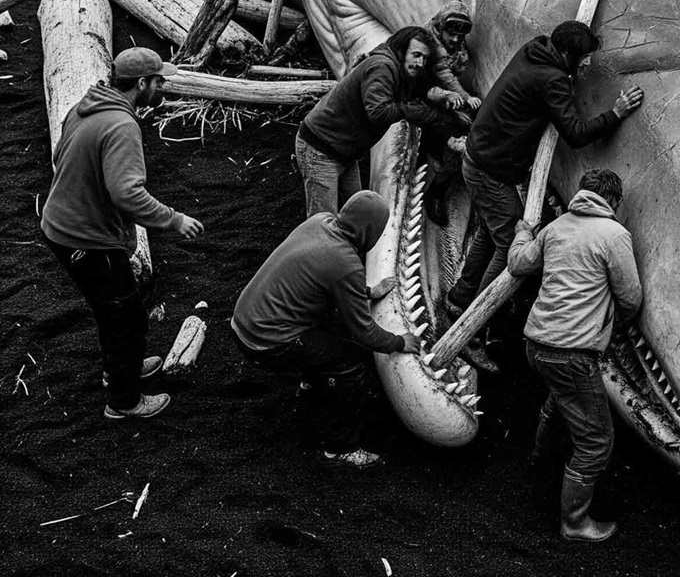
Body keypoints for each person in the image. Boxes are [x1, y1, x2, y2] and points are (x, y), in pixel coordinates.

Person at [441, 21, 644, 372]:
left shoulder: (534, 50)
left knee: (492, 232)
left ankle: (459, 298)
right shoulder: (551, 80)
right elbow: (577, 134)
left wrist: (567, 79)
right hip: (490, 170)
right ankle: (471, 326)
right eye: (584, 59)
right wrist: (616, 112)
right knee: (509, 245)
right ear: (567, 54)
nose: (587, 66)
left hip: (480, 158)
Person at [39, 47, 204, 421]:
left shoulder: (87, 106)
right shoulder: (121, 126)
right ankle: (124, 401)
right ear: (142, 83)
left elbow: (59, 158)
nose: (163, 86)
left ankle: (120, 369)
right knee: (125, 317)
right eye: (159, 80)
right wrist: (174, 220)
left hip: (62, 226)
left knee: (113, 310)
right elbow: (127, 193)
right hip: (83, 239)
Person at [230, 190, 419, 469]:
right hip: (266, 342)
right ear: (370, 231)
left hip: (244, 320)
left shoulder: (320, 221)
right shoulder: (346, 264)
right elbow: (365, 333)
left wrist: (366, 292)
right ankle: (341, 448)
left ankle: (311, 385)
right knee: (354, 363)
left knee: (327, 324)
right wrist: (399, 342)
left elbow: (322, 275)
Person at [508, 168, 642, 543]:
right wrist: (613, 326)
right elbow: (630, 297)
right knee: (596, 440)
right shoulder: (615, 235)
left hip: (536, 346)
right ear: (614, 201)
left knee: (561, 403)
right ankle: (575, 522)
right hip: (572, 354)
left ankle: (539, 470)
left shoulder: (556, 226)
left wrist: (522, 232)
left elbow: (519, 264)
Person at [295, 25, 464, 217]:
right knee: (322, 220)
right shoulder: (382, 68)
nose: (420, 63)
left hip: (345, 153)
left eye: (424, 58)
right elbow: (377, 112)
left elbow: (419, 89)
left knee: (356, 215)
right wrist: (410, 110)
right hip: (321, 149)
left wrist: (443, 96)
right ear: (401, 51)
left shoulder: (402, 72)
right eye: (416, 55)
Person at [421, 0, 481, 226]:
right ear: (439, 28)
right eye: (451, 34)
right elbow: (444, 75)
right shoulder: (431, 45)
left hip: (440, 99)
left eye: (460, 36)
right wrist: (465, 99)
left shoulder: (454, 47)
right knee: (452, 143)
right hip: (423, 101)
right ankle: (435, 192)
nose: (455, 40)